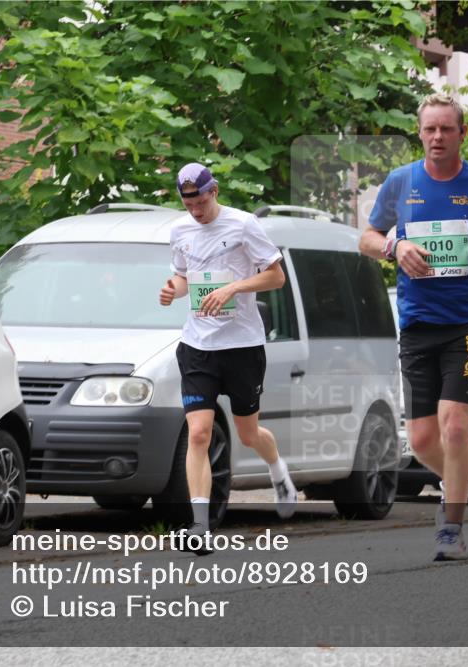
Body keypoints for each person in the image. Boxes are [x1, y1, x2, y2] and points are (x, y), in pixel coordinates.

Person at [359, 94, 468, 561]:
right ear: (420, 133)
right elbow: (367, 238)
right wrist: (394, 250)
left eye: (446, 129)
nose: (437, 137)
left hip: (467, 324)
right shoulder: (400, 183)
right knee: (421, 440)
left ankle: (450, 528)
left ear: (462, 133)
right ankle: (459, 479)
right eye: (430, 129)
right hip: (416, 324)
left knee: (456, 427)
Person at [160, 163, 297, 553]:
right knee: (199, 433)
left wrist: (235, 286)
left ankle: (278, 470)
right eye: (188, 204)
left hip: (242, 347)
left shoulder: (243, 225)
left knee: (248, 433)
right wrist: (173, 289)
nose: (196, 210)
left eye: (201, 201)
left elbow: (276, 277)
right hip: (198, 346)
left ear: (214, 191)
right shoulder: (180, 230)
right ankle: (199, 526)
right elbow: (184, 277)